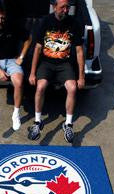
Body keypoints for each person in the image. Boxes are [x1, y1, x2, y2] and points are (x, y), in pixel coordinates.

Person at [28, 0, 85, 143]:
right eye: (62, 7)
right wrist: (32, 73)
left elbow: (79, 51)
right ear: (54, 7)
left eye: (68, 7)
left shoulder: (74, 24)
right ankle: (37, 122)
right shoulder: (45, 22)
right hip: (46, 63)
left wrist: (81, 77)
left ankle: (68, 124)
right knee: (40, 87)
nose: (66, 10)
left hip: (65, 64)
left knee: (72, 88)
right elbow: (38, 48)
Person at [0, 1, 32, 130]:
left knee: (19, 82)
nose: (0, 21)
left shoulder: (12, 25)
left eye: (2, 18)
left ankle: (15, 114)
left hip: (11, 60)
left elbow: (29, 39)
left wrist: (21, 57)